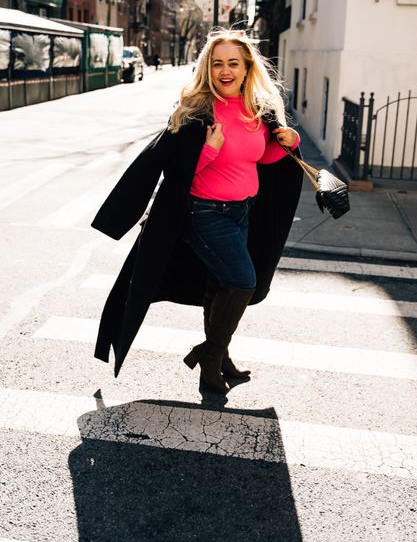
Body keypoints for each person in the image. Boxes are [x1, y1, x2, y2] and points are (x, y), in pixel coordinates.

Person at [91, 29, 303, 394]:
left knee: (221, 284)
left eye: (233, 63)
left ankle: (219, 355)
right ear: (207, 67)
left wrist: (287, 143)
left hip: (242, 211)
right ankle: (210, 357)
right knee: (242, 282)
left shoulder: (258, 110)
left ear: (247, 67)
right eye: (217, 63)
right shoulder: (196, 110)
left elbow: (259, 158)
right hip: (204, 213)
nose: (225, 70)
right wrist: (210, 150)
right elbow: (179, 172)